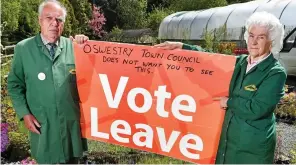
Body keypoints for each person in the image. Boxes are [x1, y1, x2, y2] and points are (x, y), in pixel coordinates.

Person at [155, 11, 286, 164]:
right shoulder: (241, 62)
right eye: (251, 35)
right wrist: (183, 47)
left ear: (271, 40)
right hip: (228, 140)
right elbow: (211, 60)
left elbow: (258, 108)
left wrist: (228, 102)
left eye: (261, 37)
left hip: (253, 145)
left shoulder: (275, 72)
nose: (254, 42)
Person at [7, 0, 89, 164]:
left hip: (71, 127)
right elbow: (14, 85)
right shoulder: (24, 49)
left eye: (59, 19)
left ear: (63, 24)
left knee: (74, 160)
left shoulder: (75, 48)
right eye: (48, 18)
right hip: (43, 127)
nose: (54, 23)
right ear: (40, 21)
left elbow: (94, 77)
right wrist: (24, 114)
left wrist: (86, 46)